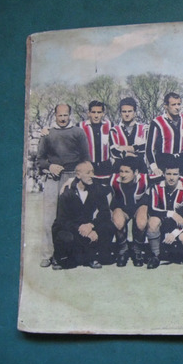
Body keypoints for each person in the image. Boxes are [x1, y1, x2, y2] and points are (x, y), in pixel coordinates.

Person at [36, 104, 91, 267]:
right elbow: (39, 160)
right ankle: (48, 254)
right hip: (53, 178)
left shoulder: (78, 132)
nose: (62, 118)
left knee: (74, 216)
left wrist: (75, 177)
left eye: (65, 115)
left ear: (70, 115)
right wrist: (49, 166)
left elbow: (85, 158)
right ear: (55, 115)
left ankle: (76, 253)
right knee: (50, 217)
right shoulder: (47, 134)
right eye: (60, 115)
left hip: (73, 177)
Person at [51, 161, 115, 270]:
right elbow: (62, 220)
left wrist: (92, 226)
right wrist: (79, 228)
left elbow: (105, 213)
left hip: (87, 226)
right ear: (78, 175)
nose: (92, 175)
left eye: (93, 172)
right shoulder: (67, 192)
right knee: (67, 239)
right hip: (70, 228)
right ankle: (58, 257)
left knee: (108, 227)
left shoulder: (97, 189)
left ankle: (92, 256)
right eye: (88, 173)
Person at [146, 157, 183, 268]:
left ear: (179, 175)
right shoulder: (156, 187)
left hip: (179, 225)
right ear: (163, 174)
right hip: (163, 222)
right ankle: (156, 256)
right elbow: (152, 209)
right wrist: (171, 213)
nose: (171, 178)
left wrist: (175, 233)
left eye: (175, 174)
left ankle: (177, 251)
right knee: (152, 221)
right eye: (168, 174)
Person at [109, 157, 151, 267]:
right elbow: (94, 178)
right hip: (122, 207)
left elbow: (166, 176)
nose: (123, 175)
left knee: (141, 223)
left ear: (136, 172)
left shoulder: (145, 179)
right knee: (118, 223)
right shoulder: (113, 179)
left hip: (138, 207)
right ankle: (123, 251)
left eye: (127, 172)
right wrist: (71, 181)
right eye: (121, 171)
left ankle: (137, 251)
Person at [146, 92, 183, 178]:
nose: (177, 107)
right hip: (164, 160)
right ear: (166, 106)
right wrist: (154, 168)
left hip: (181, 160)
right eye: (173, 104)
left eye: (178, 104)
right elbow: (149, 148)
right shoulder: (157, 122)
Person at [110, 97, 149, 173]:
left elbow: (145, 147)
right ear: (120, 113)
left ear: (135, 112)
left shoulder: (144, 128)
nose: (127, 114)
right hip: (119, 168)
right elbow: (114, 151)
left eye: (130, 111)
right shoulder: (114, 130)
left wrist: (123, 148)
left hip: (139, 167)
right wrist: (131, 152)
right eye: (124, 111)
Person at [78, 101, 113, 181]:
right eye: (93, 112)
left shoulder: (110, 125)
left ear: (103, 113)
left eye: (99, 112)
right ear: (88, 113)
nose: (96, 115)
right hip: (88, 166)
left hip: (105, 167)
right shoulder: (80, 126)